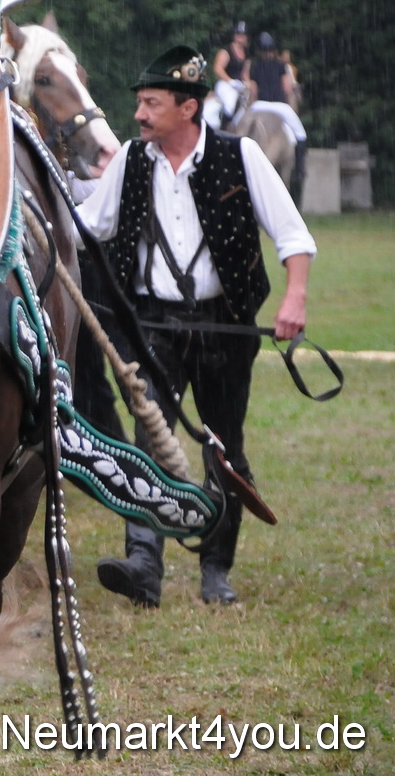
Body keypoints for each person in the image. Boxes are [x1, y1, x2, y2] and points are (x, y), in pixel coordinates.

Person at [77, 45, 316, 607]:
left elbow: (292, 235)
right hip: (151, 326)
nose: (138, 114)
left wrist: (295, 299)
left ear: (188, 107)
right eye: (140, 102)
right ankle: (143, 565)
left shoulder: (241, 155)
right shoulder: (132, 160)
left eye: (151, 103)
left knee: (222, 447)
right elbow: (86, 225)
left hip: (224, 325)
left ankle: (215, 569)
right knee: (149, 444)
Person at [247, 32, 308, 197]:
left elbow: (253, 91)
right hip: (279, 106)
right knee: (301, 134)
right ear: (274, 50)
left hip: (259, 105)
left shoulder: (255, 67)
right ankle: (300, 169)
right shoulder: (281, 66)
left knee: (238, 123)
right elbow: (287, 88)